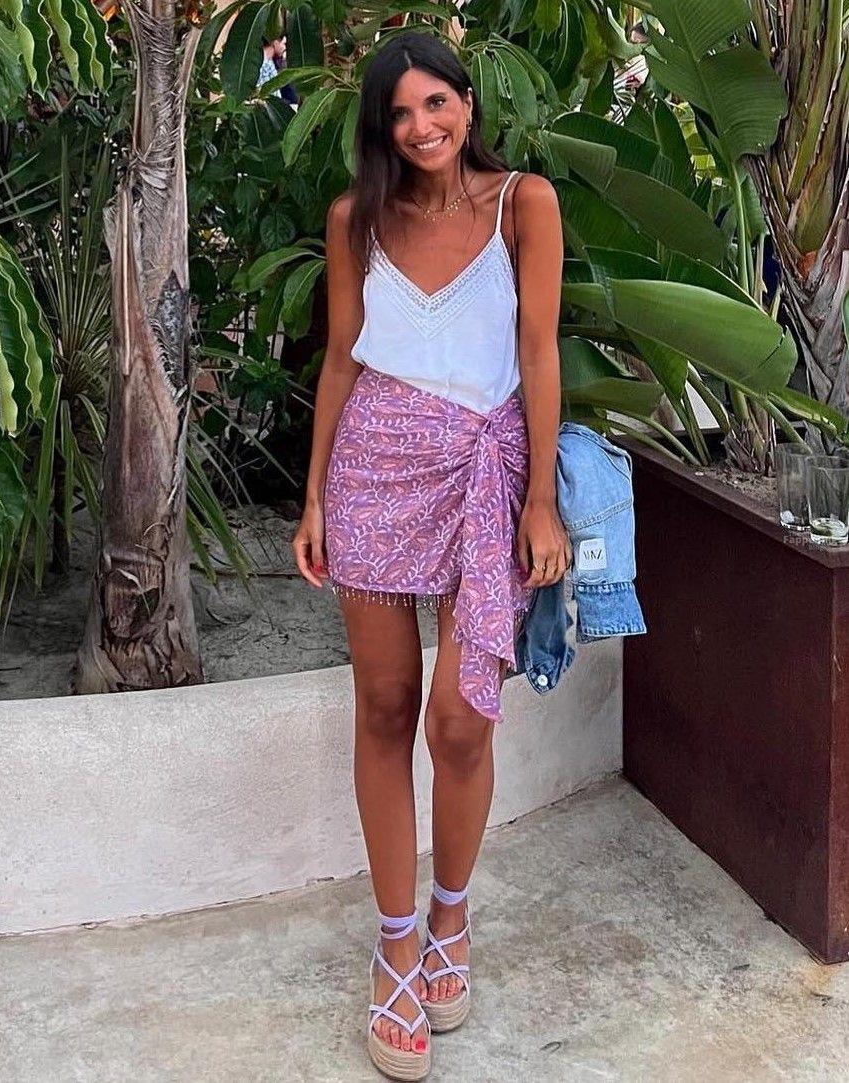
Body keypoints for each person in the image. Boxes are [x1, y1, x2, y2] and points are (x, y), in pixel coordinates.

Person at [291, 30, 567, 1081]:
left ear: (466, 101)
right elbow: (340, 359)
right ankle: (398, 943)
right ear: (382, 128)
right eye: (400, 113)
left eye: (435, 103)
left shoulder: (523, 204)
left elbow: (537, 351)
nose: (421, 127)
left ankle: (453, 913)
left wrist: (539, 501)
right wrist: (314, 495)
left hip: (486, 473)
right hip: (373, 472)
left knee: (458, 719)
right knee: (382, 706)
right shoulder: (355, 219)